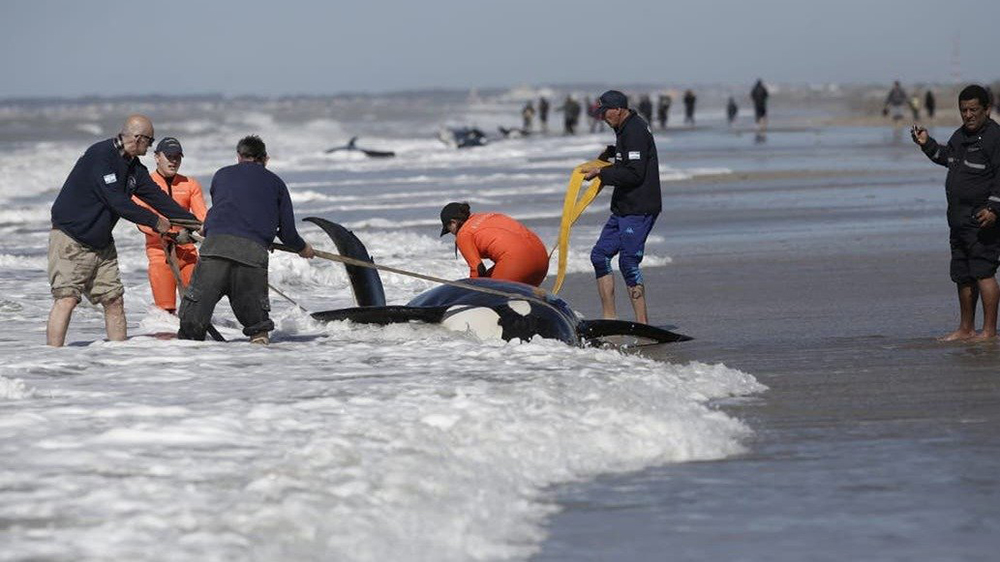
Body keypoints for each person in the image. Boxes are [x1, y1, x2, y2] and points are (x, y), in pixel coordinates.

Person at [46, 115, 200, 347]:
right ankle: (52, 357)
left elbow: (157, 197)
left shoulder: (133, 167)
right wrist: (156, 222)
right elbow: (117, 202)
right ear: (137, 138)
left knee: (114, 300)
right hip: (71, 238)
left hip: (101, 242)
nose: (149, 147)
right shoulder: (100, 156)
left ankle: (118, 357)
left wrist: (194, 223)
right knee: (67, 298)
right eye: (149, 142)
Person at [178, 135, 314, 344]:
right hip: (252, 255)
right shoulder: (277, 183)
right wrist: (303, 249)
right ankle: (257, 369)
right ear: (265, 159)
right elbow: (287, 233)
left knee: (191, 325)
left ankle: (188, 372)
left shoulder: (222, 175)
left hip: (215, 249)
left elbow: (224, 209)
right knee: (258, 327)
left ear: (239, 157)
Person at [911, 84, 1000, 341]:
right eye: (964, 110)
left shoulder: (995, 137)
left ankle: (989, 331)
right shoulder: (960, 136)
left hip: (984, 219)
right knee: (963, 275)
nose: (968, 115)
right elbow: (947, 157)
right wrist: (927, 144)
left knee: (984, 273)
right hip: (958, 219)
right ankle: (966, 328)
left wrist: (994, 209)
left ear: (987, 109)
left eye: (974, 110)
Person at [579, 90, 662, 324]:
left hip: (640, 207)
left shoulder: (634, 130)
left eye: (605, 112)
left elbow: (635, 174)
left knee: (627, 261)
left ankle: (642, 324)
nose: (603, 117)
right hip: (623, 207)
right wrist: (613, 153)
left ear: (618, 109)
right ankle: (610, 319)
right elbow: (632, 159)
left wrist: (601, 172)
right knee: (599, 255)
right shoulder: (624, 129)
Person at [133, 137, 207, 313]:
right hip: (160, 254)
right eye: (169, 156)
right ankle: (169, 341)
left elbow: (202, 219)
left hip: (188, 252)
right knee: (165, 311)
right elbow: (141, 222)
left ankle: (199, 341)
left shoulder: (190, 184)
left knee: (197, 308)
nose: (174, 161)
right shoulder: (143, 183)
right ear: (157, 157)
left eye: (177, 157)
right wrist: (170, 234)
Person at [439, 202, 549, 286]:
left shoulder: (464, 234)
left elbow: (478, 269)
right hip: (542, 258)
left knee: (487, 295)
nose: (452, 234)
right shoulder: (491, 215)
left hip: (518, 264)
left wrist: (472, 292)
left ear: (453, 222)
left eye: (449, 230)